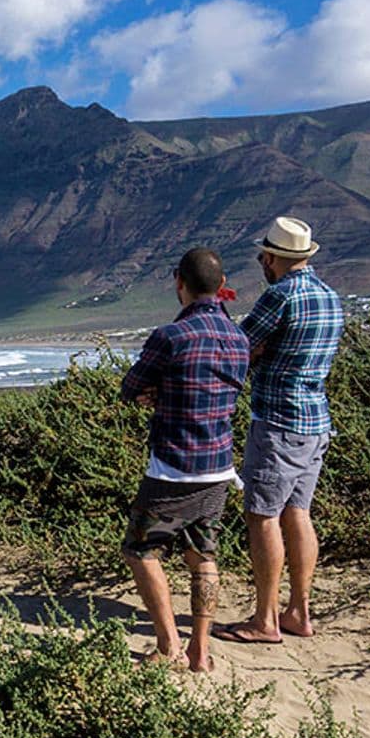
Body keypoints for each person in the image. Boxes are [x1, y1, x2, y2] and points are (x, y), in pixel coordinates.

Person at [119, 247, 250, 673]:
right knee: (203, 554)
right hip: (219, 463)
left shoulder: (171, 337)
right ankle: (201, 650)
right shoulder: (239, 338)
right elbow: (215, 389)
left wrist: (154, 394)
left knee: (140, 549)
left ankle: (168, 646)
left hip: (175, 465)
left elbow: (131, 386)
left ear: (180, 283)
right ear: (221, 284)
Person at [219, 216, 344, 644]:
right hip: (315, 420)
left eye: (263, 256)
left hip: (277, 420)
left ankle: (264, 619)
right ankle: (298, 611)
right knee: (298, 513)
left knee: (263, 515)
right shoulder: (330, 297)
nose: (261, 262)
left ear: (273, 258)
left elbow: (238, 346)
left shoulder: (280, 297)